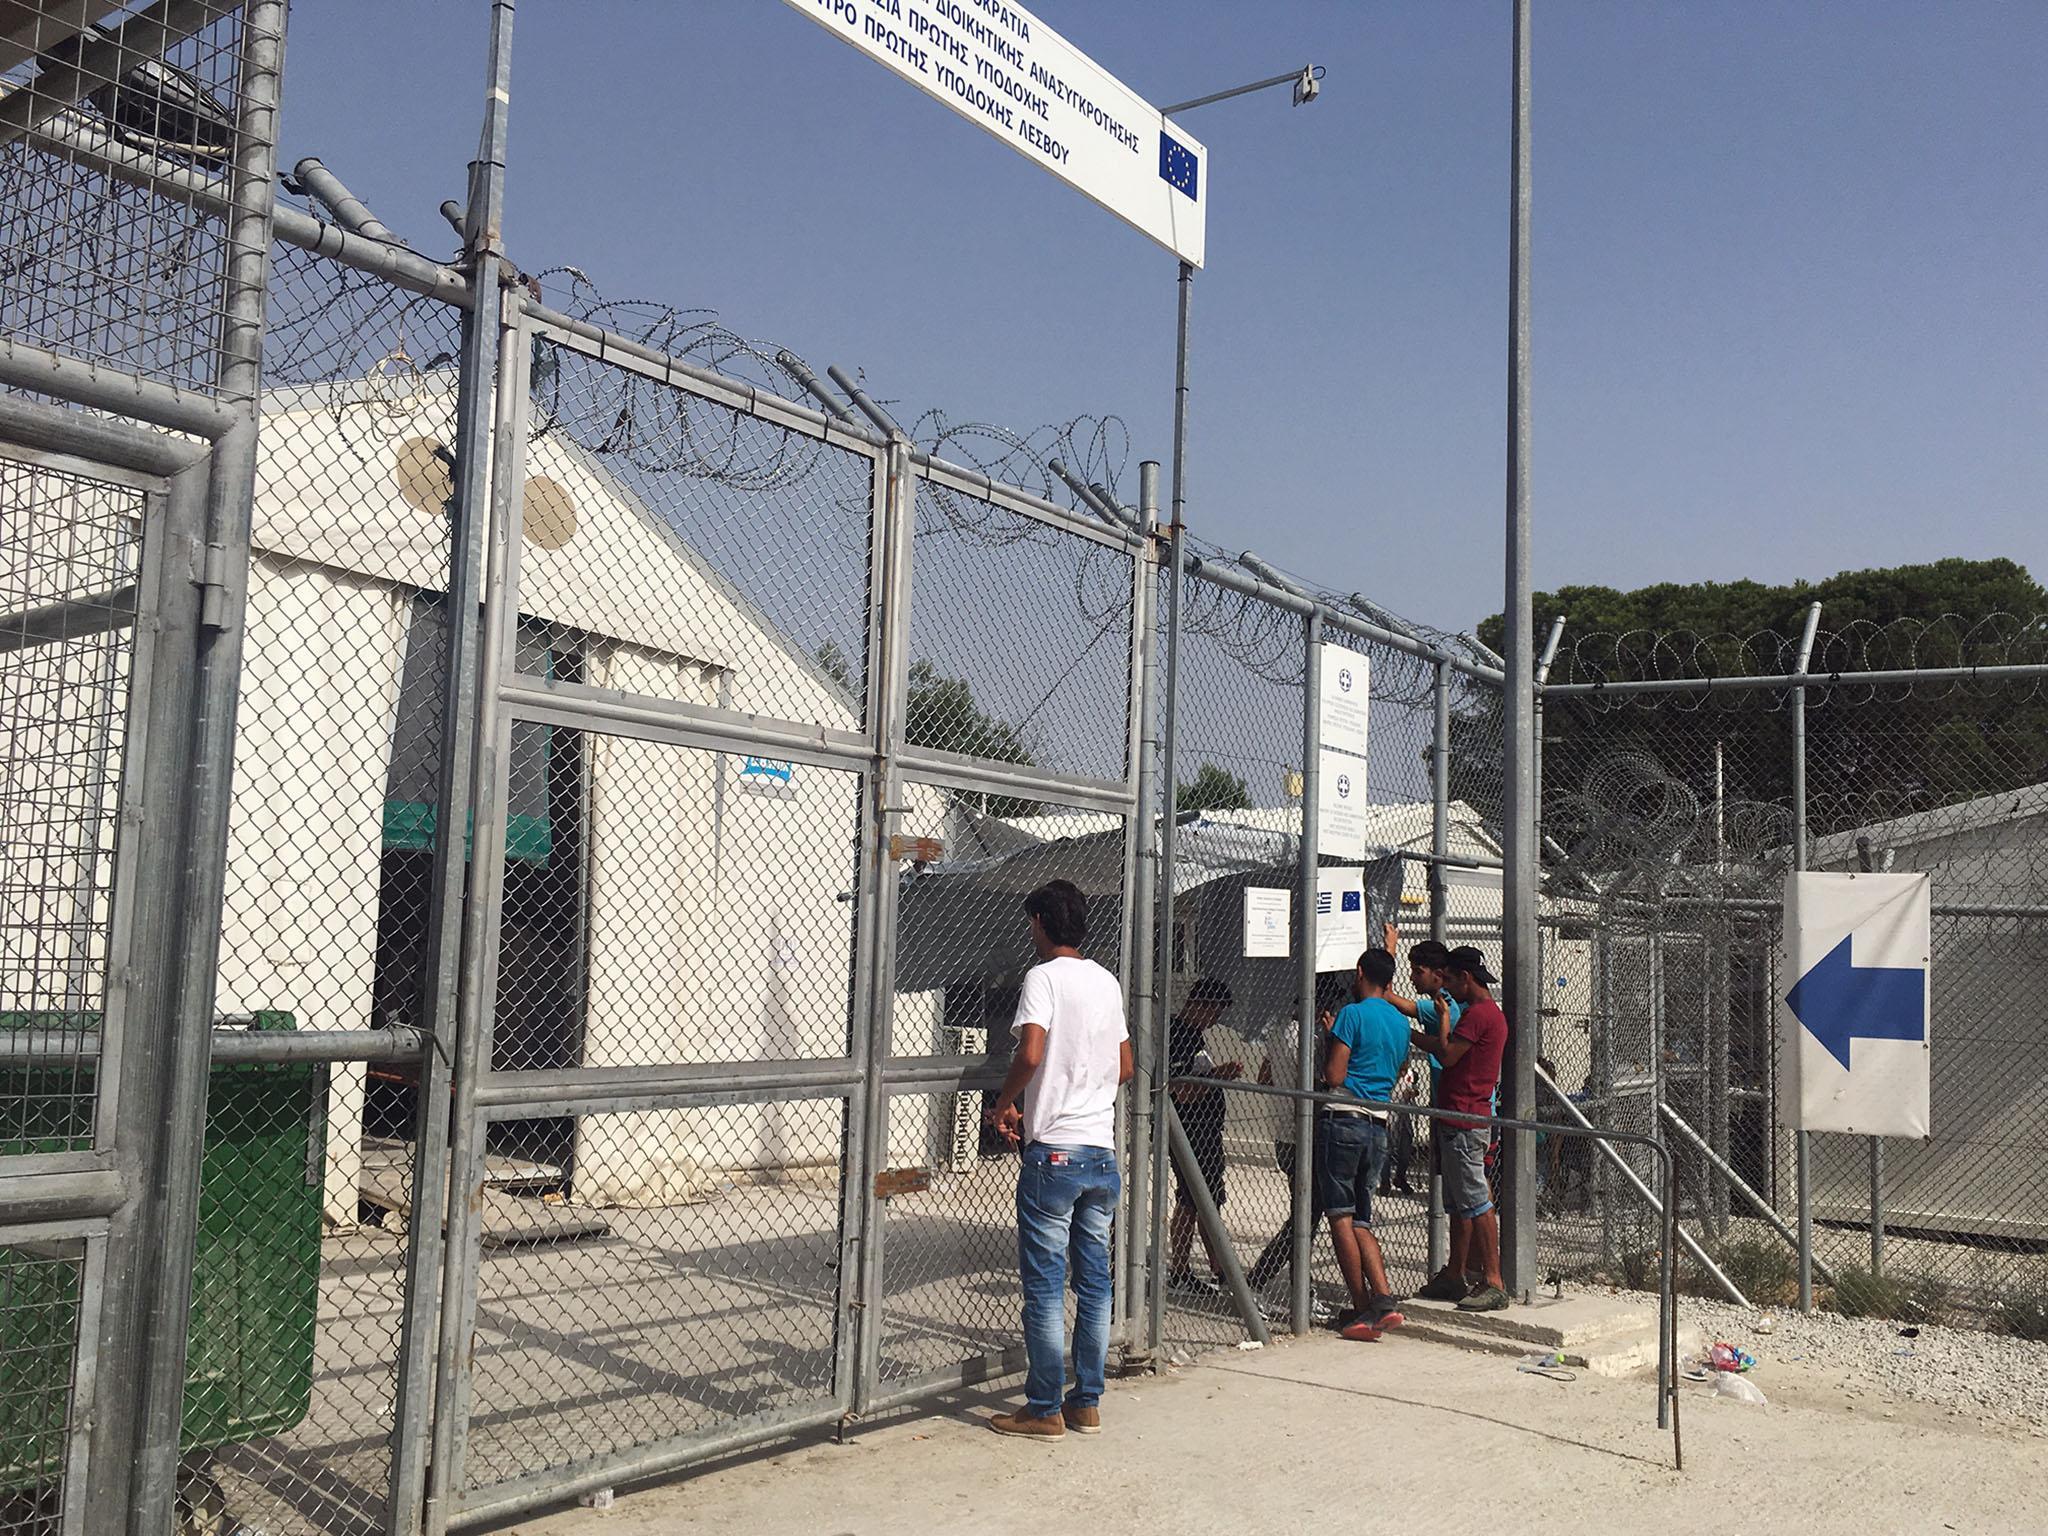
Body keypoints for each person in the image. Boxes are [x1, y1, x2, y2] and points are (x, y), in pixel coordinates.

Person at [984, 879, 1135, 1440]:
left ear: (1043, 923)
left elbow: (1031, 1051)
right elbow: (1124, 1065)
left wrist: (1006, 1101)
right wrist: (1084, 1085)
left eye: (1032, 923)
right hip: (1100, 1151)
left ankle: (1044, 1406)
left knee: (1045, 1286)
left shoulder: (1042, 978)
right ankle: (1086, 1402)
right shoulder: (1106, 981)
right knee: (1094, 1282)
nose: (1031, 932)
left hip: (1053, 1153)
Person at [1318, 947, 1412, 1340]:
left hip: (1343, 1117)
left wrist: (1329, 1036)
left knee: (1340, 1214)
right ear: (1390, 982)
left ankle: (1360, 1307)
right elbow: (1402, 1067)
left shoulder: (1351, 1015)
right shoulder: (1400, 1021)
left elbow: (1335, 1074)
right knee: (1362, 1217)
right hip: (1378, 1123)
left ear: (1359, 973)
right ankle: (1384, 1298)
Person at [1410, 945, 1510, 1311]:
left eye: (1451, 979)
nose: (1447, 988)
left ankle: (1493, 1280)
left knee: (1477, 1202)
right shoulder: (1481, 1013)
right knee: (1459, 1204)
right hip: (1457, 1118)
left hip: (1466, 1119)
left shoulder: (1478, 1015)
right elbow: (1446, 1049)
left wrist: (1442, 1025)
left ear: (1466, 978)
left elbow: (1448, 1054)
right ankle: (1456, 1273)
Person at [1165, 977, 1242, 1295]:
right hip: (1190, 1131)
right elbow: (1181, 1091)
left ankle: (1219, 1268)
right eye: (1214, 1013)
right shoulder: (1179, 1035)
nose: (1215, 1021)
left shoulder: (1193, 1035)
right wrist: (1216, 1077)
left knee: (1206, 1200)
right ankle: (1181, 1270)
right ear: (1200, 1005)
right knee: (1192, 1199)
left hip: (1204, 1131)